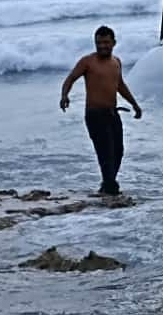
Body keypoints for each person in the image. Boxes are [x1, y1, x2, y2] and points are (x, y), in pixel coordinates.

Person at [59, 25, 143, 196]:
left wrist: (134, 104)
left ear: (114, 43)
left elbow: (120, 85)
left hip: (112, 113)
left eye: (106, 43)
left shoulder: (116, 62)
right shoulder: (87, 62)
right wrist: (64, 96)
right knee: (105, 152)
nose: (102, 46)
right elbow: (70, 79)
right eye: (99, 43)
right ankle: (111, 187)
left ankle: (107, 185)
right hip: (95, 114)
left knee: (118, 151)